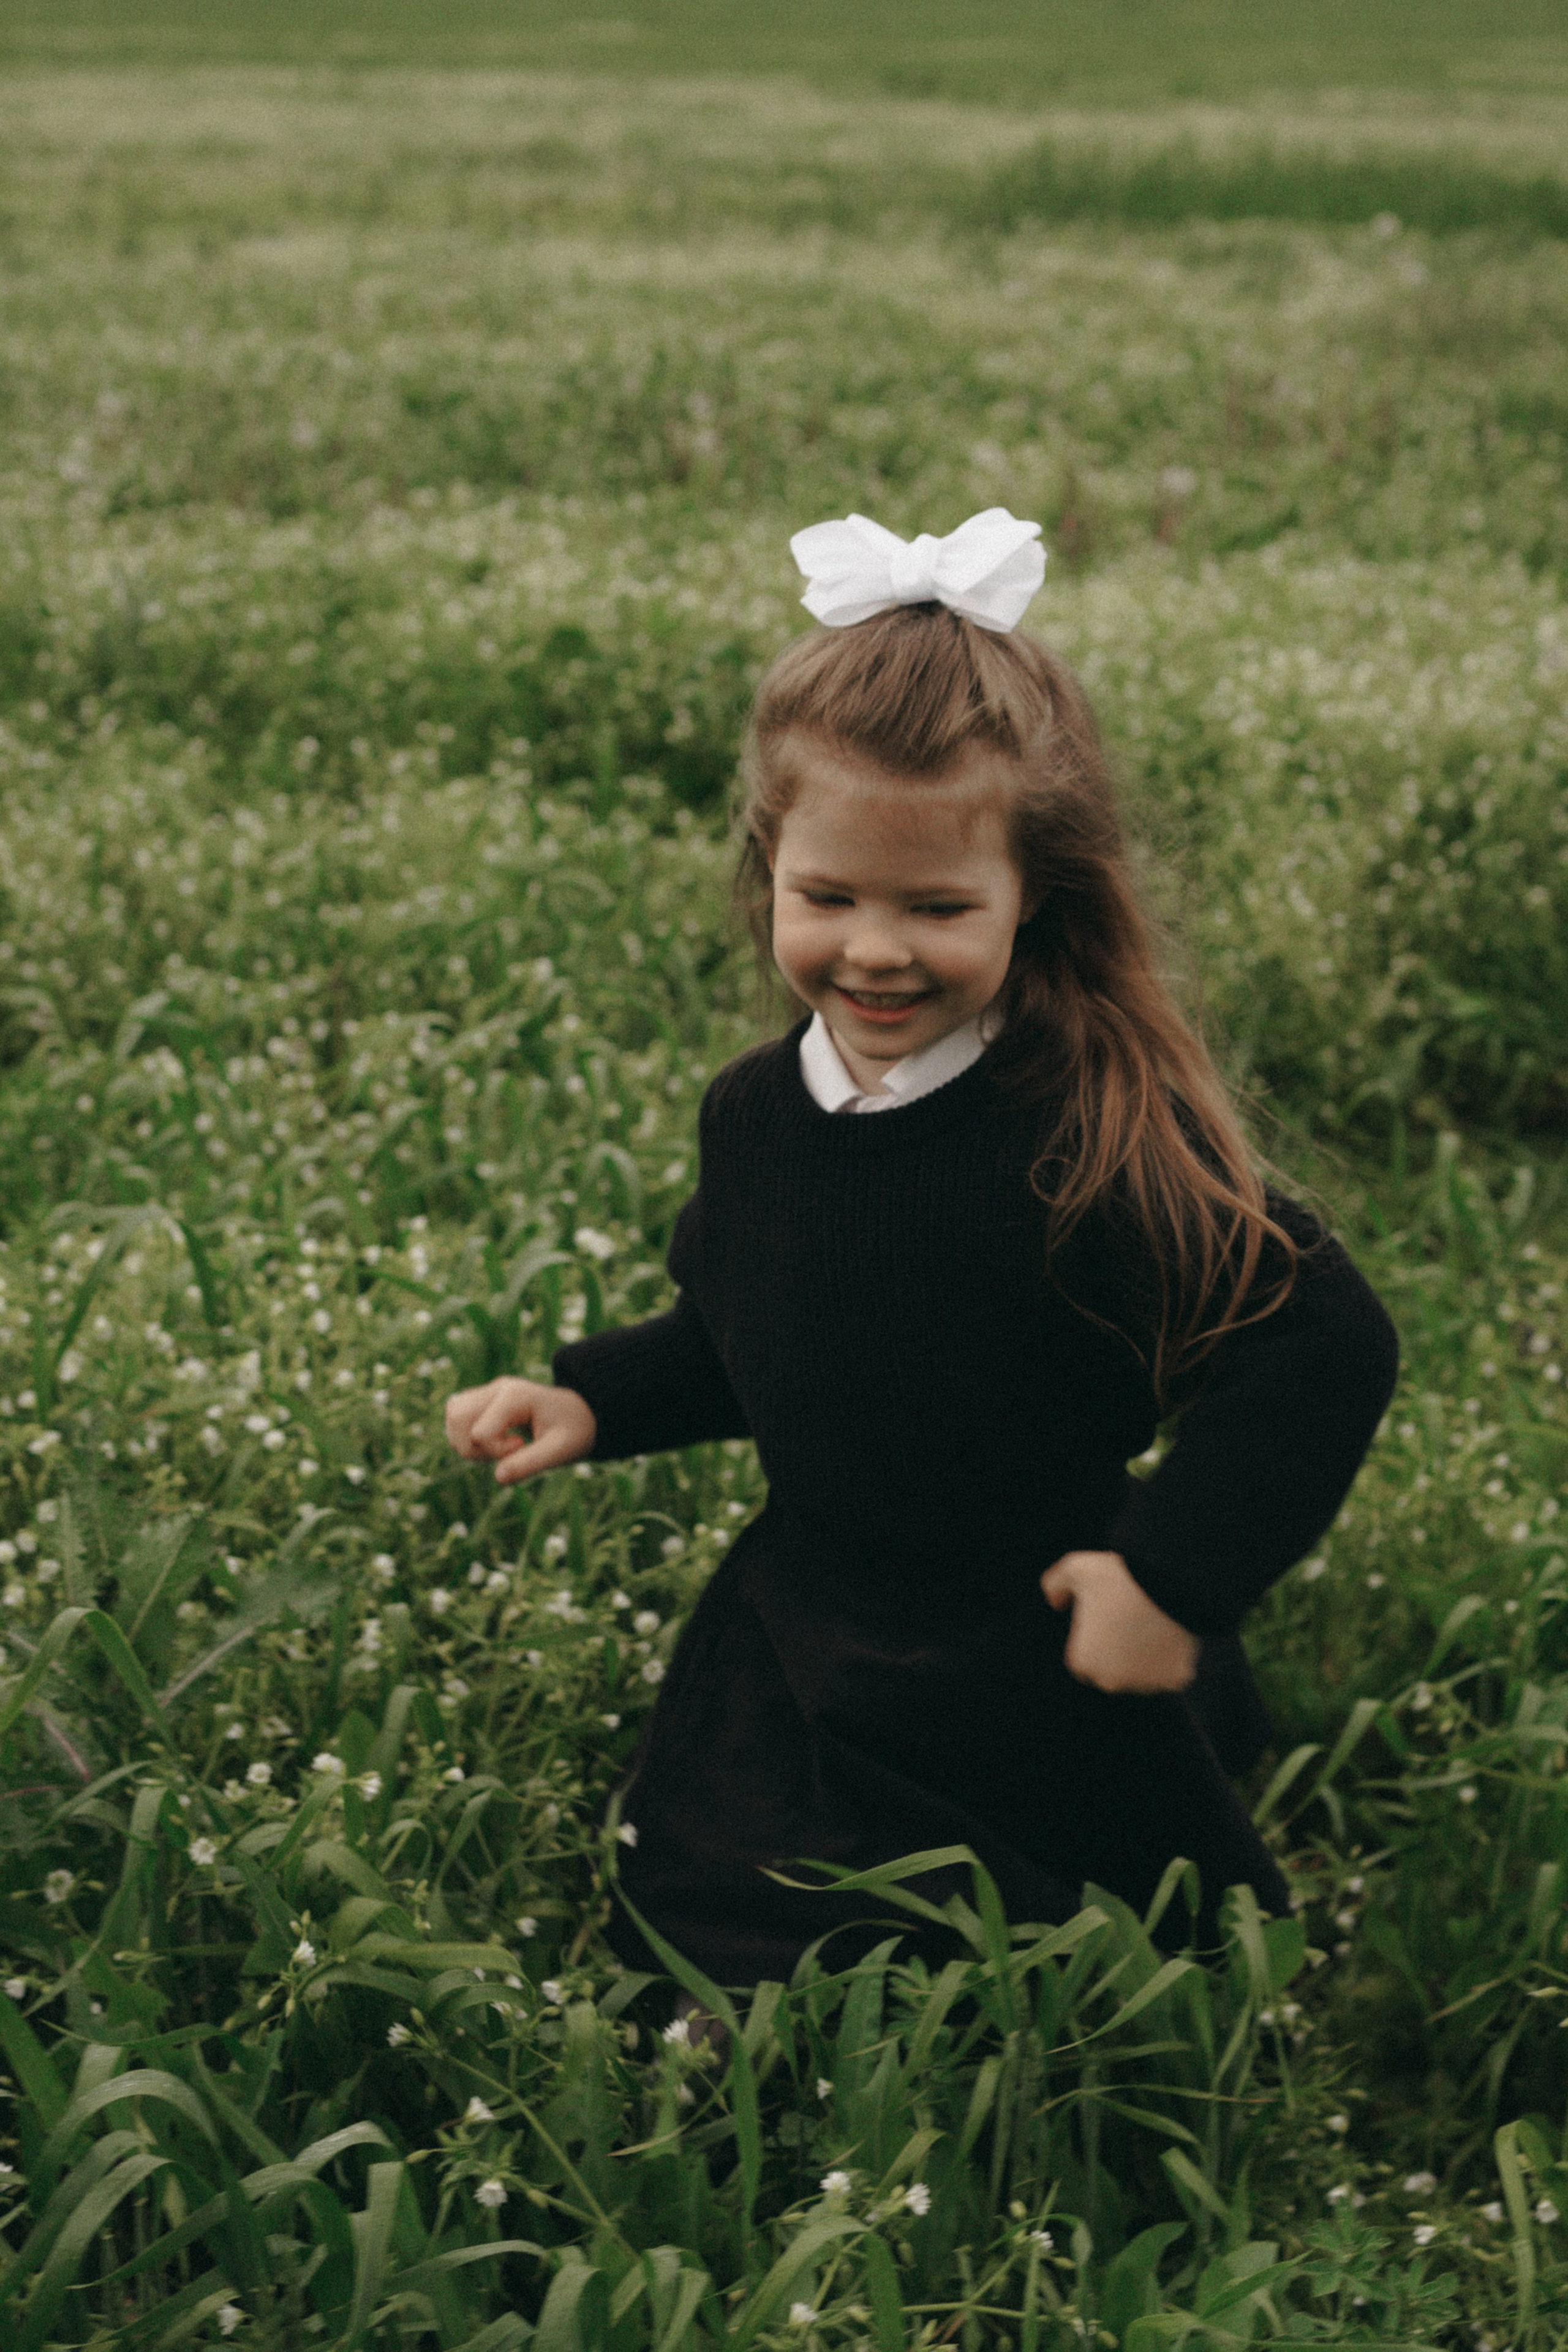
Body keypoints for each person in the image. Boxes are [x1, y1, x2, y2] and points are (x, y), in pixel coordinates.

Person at [445, 507, 1400, 1984]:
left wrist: (1169, 1582)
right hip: (808, 1623)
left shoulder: (1092, 1131)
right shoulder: (759, 1114)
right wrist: (593, 1399)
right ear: (769, 867)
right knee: (713, 1911)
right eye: (825, 898)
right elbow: (750, 1330)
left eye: (938, 908)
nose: (873, 950)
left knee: (1044, 1950)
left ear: (1035, 898)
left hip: (1024, 1632)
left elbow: (1319, 1342)